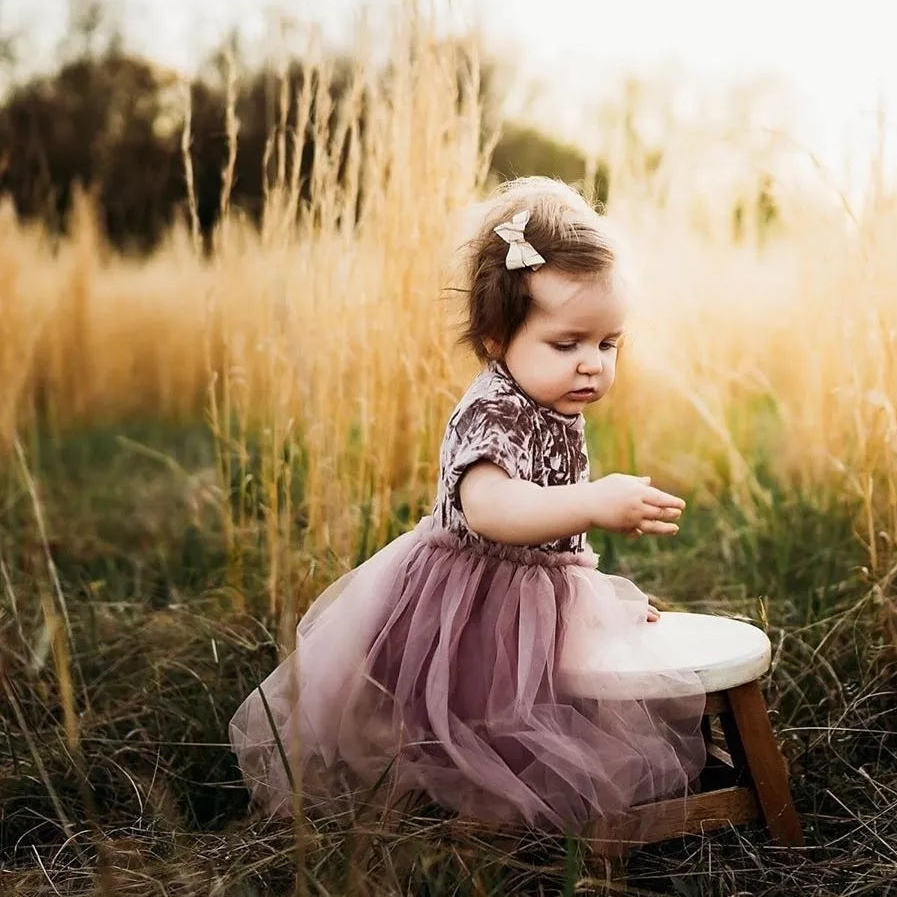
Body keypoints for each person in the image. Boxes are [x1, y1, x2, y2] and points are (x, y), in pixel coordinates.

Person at [229, 176, 706, 831]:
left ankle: (505, 811)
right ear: (493, 340)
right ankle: (467, 816)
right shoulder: (490, 410)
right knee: (479, 717)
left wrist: (604, 607)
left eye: (607, 343)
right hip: (472, 601)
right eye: (566, 344)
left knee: (539, 703)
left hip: (534, 591)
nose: (591, 364)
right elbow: (491, 508)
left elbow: (553, 543)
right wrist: (591, 500)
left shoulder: (551, 402)